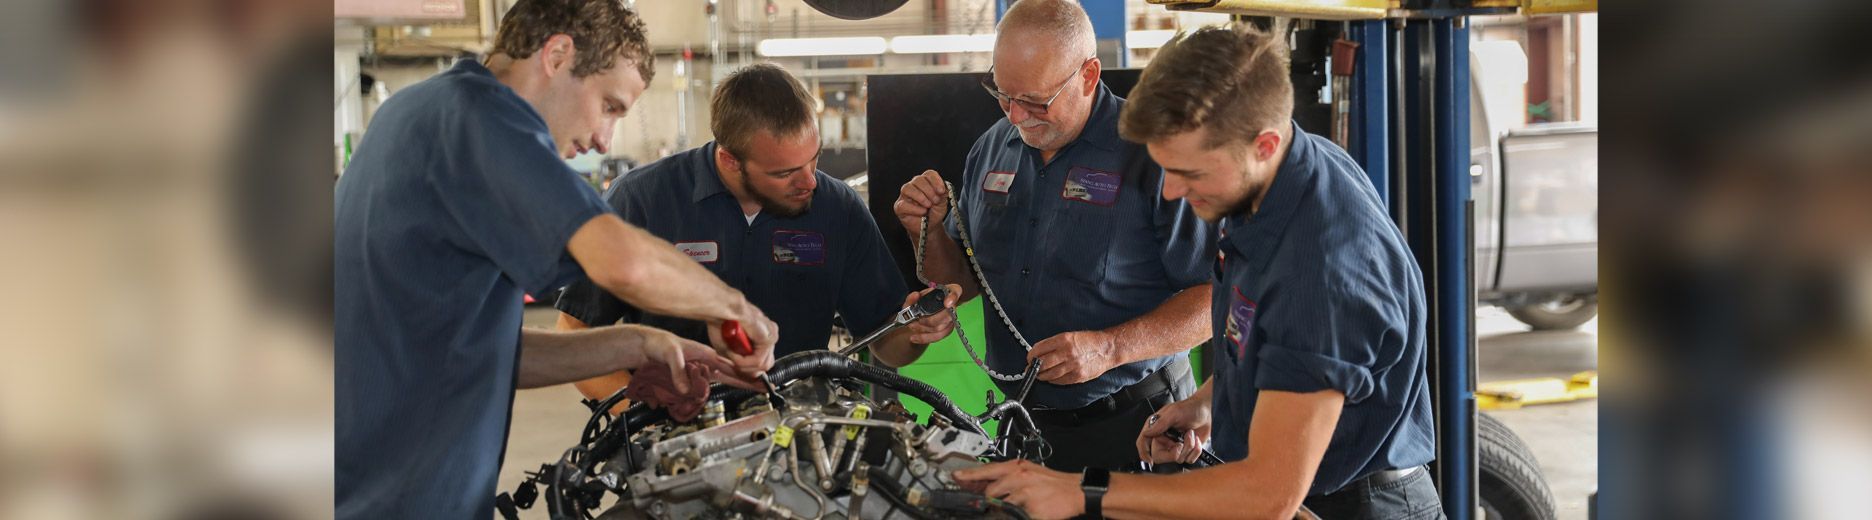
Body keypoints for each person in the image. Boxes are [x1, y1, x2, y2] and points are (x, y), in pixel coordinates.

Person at [954, 24, 1441, 520]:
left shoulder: (1319, 275)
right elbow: (1269, 342)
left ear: (1264, 145)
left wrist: (1081, 492)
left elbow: (1267, 496)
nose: (1170, 193)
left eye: (1190, 174)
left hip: (1348, 502)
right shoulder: (1292, 171)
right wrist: (1211, 403)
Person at [334, 1, 779, 517]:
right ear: (558, 55)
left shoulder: (418, 113)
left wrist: (640, 344)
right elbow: (623, 263)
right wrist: (735, 309)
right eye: (609, 106)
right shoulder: (479, 119)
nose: (604, 138)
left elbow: (477, 350)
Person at [891, 0, 1217, 473]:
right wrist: (929, 230)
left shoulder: (1154, 156)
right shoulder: (990, 150)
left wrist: (1110, 348)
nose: (1017, 117)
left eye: (1035, 102)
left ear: (1088, 76)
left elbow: (1216, 299)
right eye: (1003, 95)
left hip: (1138, 426)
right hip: (1023, 427)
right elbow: (964, 282)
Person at [555, 63, 961, 404]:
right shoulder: (643, 201)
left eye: (813, 159)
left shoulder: (838, 209)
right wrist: (634, 420)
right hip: (673, 442)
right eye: (784, 173)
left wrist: (914, 333)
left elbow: (886, 343)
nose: (810, 183)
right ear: (730, 159)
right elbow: (574, 331)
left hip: (799, 444)